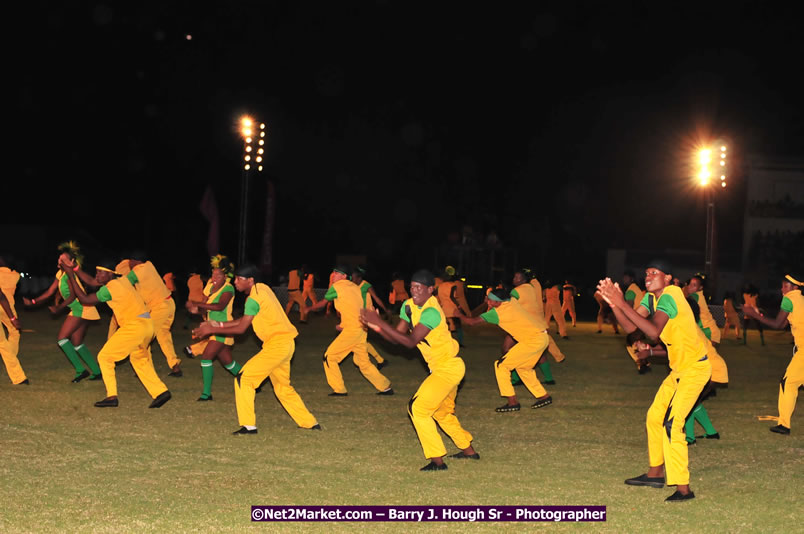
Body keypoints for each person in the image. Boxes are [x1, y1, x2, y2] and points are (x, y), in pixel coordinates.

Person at [598, 259, 711, 502]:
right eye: (646, 272)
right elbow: (631, 327)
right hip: (679, 370)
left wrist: (620, 302)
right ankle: (655, 473)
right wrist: (615, 305)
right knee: (654, 416)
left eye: (654, 272)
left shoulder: (671, 294)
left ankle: (683, 489)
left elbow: (652, 332)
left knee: (672, 424)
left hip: (696, 369)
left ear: (668, 278)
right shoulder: (651, 299)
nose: (648, 276)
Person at [360, 269, 478, 471]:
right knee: (442, 413)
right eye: (412, 287)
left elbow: (410, 342)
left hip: (448, 367)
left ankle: (437, 460)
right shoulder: (408, 306)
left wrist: (380, 322)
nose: (414, 291)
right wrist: (376, 327)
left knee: (418, 408)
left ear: (430, 289)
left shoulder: (432, 312)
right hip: (442, 368)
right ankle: (469, 451)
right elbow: (397, 338)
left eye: (419, 287)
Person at [193, 264, 319, 433]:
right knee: (283, 388)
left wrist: (212, 329)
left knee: (243, 379)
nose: (236, 282)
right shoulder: (263, 289)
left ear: (250, 280)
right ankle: (309, 423)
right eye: (235, 278)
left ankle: (248, 426)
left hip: (276, 346)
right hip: (286, 343)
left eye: (239, 279)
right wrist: (217, 324)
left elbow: (241, 329)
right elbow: (244, 320)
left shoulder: (253, 298)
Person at [59, 256, 171, 409]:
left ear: (110, 274)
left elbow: (85, 299)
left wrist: (71, 275)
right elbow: (92, 282)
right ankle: (161, 392)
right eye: (97, 272)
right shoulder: (123, 280)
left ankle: (112, 396)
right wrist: (76, 269)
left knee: (104, 357)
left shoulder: (111, 289)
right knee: (139, 360)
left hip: (135, 326)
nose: (97, 275)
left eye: (100, 273)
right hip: (147, 325)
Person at [459, 286, 553, 412]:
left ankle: (512, 402)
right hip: (542, 337)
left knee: (501, 366)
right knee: (523, 368)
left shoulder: (497, 313)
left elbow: (471, 322)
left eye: (490, 300)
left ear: (498, 302)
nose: (488, 301)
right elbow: (507, 296)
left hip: (533, 341)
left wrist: (457, 314)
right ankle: (543, 396)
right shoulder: (511, 301)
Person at [304, 265, 393, 396]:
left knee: (329, 357)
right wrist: (344, 324)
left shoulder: (337, 287)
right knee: (362, 362)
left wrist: (308, 309)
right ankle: (385, 387)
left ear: (344, 276)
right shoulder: (355, 288)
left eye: (337, 273)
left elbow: (322, 304)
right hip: (361, 328)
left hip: (353, 330)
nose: (333, 275)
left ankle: (339, 389)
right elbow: (355, 307)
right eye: (333, 273)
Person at [24, 242, 102, 382]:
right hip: (81, 308)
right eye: (59, 259)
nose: (60, 261)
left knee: (62, 339)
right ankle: (96, 371)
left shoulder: (70, 274)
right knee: (76, 342)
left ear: (72, 261)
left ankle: (80, 370)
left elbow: (73, 296)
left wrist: (58, 308)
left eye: (63, 259)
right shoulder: (60, 274)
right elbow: (49, 291)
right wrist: (33, 302)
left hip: (81, 307)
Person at [743, 274, 803, 435]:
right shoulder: (800, 299)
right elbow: (783, 323)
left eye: (786, 286)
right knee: (788, 382)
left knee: (788, 383)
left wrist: (753, 314)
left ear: (795, 288)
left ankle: (784, 425)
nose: (782, 289)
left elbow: (777, 324)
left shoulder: (789, 298)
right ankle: (784, 423)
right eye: (782, 285)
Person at [185, 255, 243, 401]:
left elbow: (219, 306)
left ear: (226, 276)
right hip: (213, 328)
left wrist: (198, 304)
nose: (215, 276)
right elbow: (205, 308)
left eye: (219, 274)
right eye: (213, 273)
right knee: (228, 363)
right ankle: (251, 380)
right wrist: (194, 309)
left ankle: (206, 394)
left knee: (206, 357)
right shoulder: (210, 285)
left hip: (224, 328)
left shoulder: (228, 288)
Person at [115, 253, 183, 377]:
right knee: (163, 337)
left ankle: (146, 368)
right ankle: (175, 366)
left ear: (135, 261)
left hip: (159, 307)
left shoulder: (138, 271)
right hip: (168, 303)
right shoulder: (149, 265)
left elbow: (124, 282)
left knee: (145, 337)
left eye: (131, 261)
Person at [511, 270, 565, 384]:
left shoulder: (530, 287)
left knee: (520, 350)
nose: (514, 279)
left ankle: (517, 378)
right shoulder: (534, 285)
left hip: (531, 323)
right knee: (539, 349)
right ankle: (550, 375)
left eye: (518, 277)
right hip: (535, 321)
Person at [351, 266, 389, 368]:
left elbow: (376, 298)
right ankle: (380, 360)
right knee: (360, 340)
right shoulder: (353, 286)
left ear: (359, 278)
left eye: (353, 277)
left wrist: (385, 309)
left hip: (367, 316)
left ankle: (378, 361)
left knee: (359, 340)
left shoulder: (366, 285)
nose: (352, 279)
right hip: (359, 315)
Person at [0, 259, 27, 385]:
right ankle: (18, 375)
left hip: (5, 305)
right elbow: (2, 297)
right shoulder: (15, 275)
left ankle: (11, 360)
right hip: (7, 307)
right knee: (13, 334)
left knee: (2, 343)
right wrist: (12, 318)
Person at [685, 274, 722, 346]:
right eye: (690, 284)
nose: (690, 287)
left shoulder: (695, 295)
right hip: (706, 331)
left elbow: (682, 301)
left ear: (700, 288)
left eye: (694, 285)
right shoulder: (698, 295)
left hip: (709, 332)